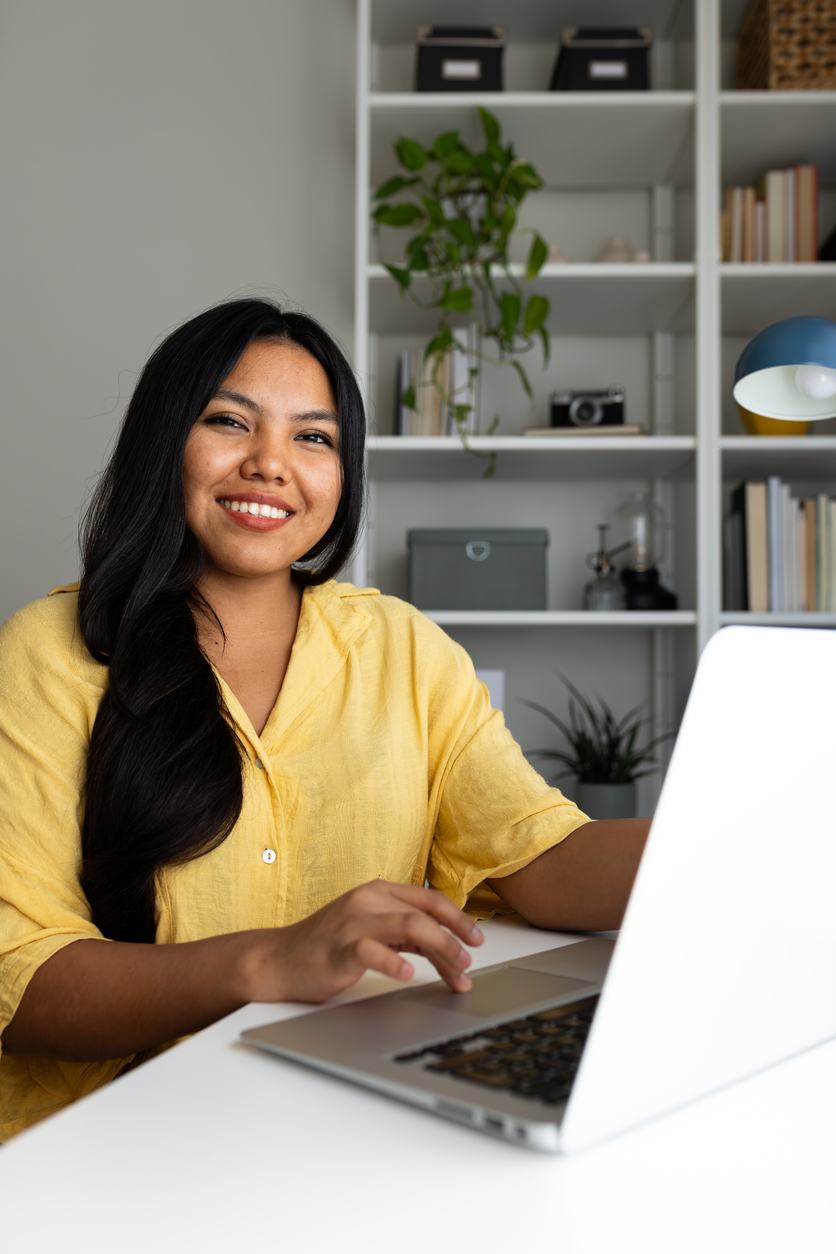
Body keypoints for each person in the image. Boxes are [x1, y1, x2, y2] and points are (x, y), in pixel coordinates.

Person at [0, 299, 649, 1141]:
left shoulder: (405, 648)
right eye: (230, 421)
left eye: (314, 438)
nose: (272, 465)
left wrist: (739, 838)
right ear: (165, 442)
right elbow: (22, 980)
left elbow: (540, 856)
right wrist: (270, 961)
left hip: (352, 1123)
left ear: (343, 478)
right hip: (107, 1146)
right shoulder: (47, 652)